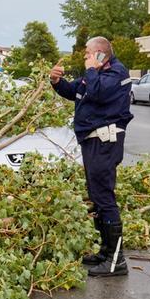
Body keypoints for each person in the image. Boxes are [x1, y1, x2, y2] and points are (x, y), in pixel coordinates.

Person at [50, 36, 133, 277]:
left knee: (104, 197)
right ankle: (106, 252)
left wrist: (91, 70)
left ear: (99, 54)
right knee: (96, 196)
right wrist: (56, 81)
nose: (84, 56)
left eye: (88, 52)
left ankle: (117, 261)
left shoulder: (116, 74)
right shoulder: (95, 73)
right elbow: (76, 90)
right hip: (92, 140)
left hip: (105, 142)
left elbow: (97, 94)